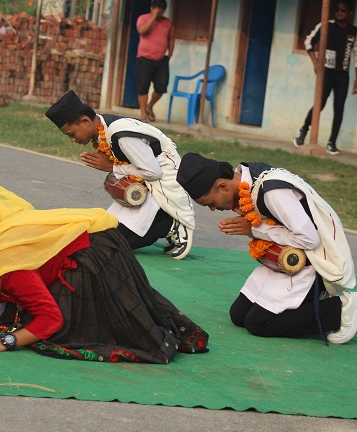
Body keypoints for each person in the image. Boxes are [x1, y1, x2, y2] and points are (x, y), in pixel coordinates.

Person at [0, 208, 209, 363]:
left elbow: (51, 318)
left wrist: (7, 342)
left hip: (92, 252)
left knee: (68, 330)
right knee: (13, 318)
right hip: (81, 242)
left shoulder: (10, 274)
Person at [176, 152, 357, 344]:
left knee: (259, 324)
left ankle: (341, 310)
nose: (213, 209)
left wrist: (256, 229)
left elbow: (309, 239)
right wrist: (255, 229)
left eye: (211, 203)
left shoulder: (271, 192)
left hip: (314, 260)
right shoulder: (245, 177)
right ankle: (309, 305)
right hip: (286, 258)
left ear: (222, 185)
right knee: (238, 315)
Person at [45, 90, 195, 259]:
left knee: (116, 243)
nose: (72, 140)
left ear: (85, 121)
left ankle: (170, 223)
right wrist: (113, 165)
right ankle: (162, 221)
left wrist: (112, 167)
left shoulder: (120, 134)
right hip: (148, 185)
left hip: (163, 188)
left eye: (71, 134)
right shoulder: (102, 127)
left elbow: (153, 172)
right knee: (104, 233)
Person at [293, 1, 357, 155]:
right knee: (319, 105)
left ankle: (331, 143)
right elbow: (309, 42)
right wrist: (315, 63)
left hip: (342, 75)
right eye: (337, 9)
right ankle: (303, 130)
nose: (339, 12)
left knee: (339, 108)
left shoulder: (353, 31)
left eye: (343, 10)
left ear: (350, 13)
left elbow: (356, 54)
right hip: (326, 74)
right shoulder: (326, 25)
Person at [135, 0, 174, 122]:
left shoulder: (167, 22)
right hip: (144, 59)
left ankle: (149, 107)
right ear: (152, 8)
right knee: (143, 88)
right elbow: (142, 31)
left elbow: (171, 39)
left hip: (161, 60)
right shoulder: (143, 18)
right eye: (157, 10)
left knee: (161, 87)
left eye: (161, 11)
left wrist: (169, 54)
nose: (159, 13)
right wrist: (153, 17)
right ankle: (143, 114)